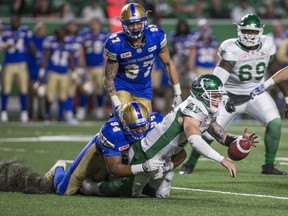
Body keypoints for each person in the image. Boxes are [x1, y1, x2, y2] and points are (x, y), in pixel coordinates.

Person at [180, 14, 288, 175]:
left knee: (275, 123)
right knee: (212, 131)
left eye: (253, 32)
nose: (249, 35)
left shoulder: (267, 43)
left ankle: (269, 165)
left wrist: (286, 97)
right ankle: (190, 163)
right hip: (229, 94)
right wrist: (220, 98)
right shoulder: (231, 48)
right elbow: (218, 80)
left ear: (260, 32)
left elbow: (276, 72)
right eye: (246, 31)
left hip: (256, 91)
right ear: (239, 30)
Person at [127, 74, 258, 198]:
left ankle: (156, 177)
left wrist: (241, 140)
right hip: (145, 155)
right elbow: (195, 141)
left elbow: (221, 136)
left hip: (163, 158)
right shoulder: (193, 108)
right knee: (130, 195)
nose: (218, 99)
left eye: (219, 96)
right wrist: (222, 159)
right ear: (202, 94)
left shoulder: (206, 109)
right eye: (215, 95)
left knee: (163, 195)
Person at [0, 101, 167, 196]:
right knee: (64, 191)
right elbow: (115, 169)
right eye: (134, 128)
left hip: (125, 158)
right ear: (124, 124)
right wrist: (143, 167)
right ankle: (58, 169)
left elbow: (178, 149)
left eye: (142, 126)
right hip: (101, 154)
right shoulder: (113, 131)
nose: (140, 131)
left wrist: (168, 165)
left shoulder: (156, 122)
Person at [103, 3, 182, 115]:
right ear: (124, 24)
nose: (135, 27)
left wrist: (177, 93)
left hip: (144, 87)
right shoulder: (116, 44)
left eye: (138, 23)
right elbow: (108, 78)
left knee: (144, 123)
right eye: (131, 24)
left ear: (145, 21)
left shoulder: (155, 36)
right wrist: (117, 104)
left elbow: (168, 63)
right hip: (122, 85)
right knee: (125, 118)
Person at [1, 15, 38, 123]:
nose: (15, 22)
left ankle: (24, 112)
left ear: (19, 21)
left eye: (16, 20)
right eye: (13, 20)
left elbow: (31, 45)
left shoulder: (25, 31)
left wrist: (36, 54)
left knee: (23, 90)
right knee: (6, 90)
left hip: (21, 63)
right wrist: (4, 45)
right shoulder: (5, 31)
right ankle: (3, 112)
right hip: (9, 63)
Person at [39, 27, 75, 122]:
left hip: (64, 73)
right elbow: (46, 56)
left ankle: (60, 116)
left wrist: (73, 71)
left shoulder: (69, 43)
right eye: (59, 33)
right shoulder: (51, 42)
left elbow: (71, 59)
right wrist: (42, 69)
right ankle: (47, 115)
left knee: (63, 96)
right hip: (53, 72)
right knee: (49, 96)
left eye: (63, 32)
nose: (61, 34)